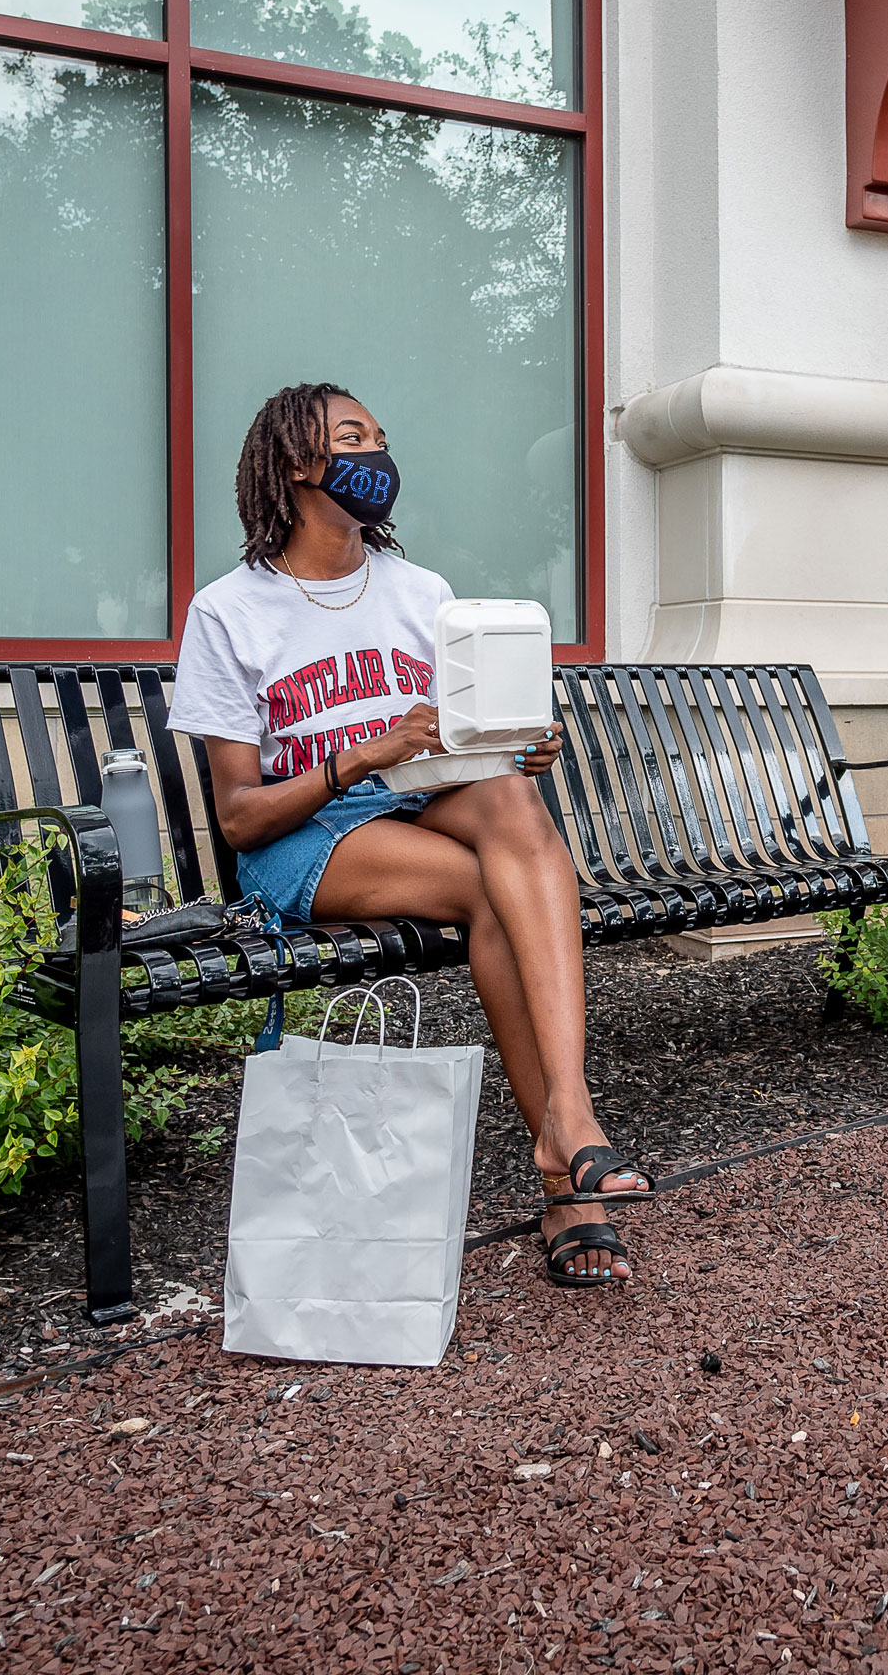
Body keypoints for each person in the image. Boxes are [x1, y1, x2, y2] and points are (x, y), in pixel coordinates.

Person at [168, 381, 654, 1284]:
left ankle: (570, 1118)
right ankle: (566, 1175)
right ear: (297, 464)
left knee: (513, 802)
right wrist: (362, 754)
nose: (378, 456)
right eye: (354, 438)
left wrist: (515, 738)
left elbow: (461, 737)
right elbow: (238, 819)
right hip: (304, 834)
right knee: (491, 893)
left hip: (413, 798)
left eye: (382, 437)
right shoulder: (229, 611)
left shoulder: (420, 591)